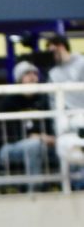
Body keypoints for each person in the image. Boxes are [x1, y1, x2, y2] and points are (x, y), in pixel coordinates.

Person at [0, 61, 56, 185]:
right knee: (33, 145)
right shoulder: (9, 102)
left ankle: (75, 186)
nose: (32, 77)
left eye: (34, 73)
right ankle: (36, 188)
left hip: (44, 144)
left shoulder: (44, 99)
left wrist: (52, 138)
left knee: (69, 145)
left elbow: (51, 126)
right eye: (27, 74)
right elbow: (10, 133)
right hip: (11, 148)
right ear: (19, 78)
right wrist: (36, 137)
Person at [46, 33, 84, 173]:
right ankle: (74, 184)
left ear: (61, 47)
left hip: (82, 115)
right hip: (67, 119)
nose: (52, 55)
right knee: (66, 148)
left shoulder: (81, 62)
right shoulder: (53, 73)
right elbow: (52, 101)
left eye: (53, 50)